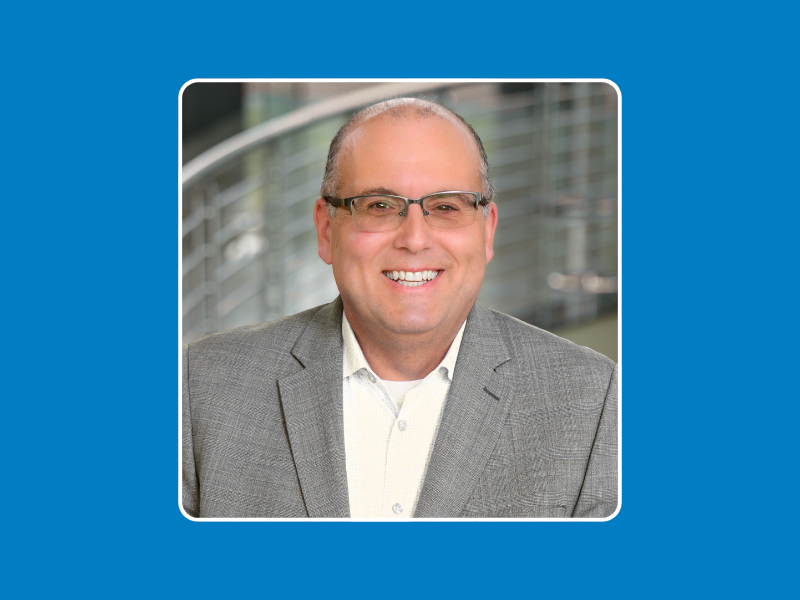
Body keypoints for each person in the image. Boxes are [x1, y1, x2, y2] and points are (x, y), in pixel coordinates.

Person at [182, 98, 618, 519]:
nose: (414, 239)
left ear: (487, 232)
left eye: (445, 207)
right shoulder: (200, 386)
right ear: (325, 229)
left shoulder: (595, 399)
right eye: (379, 206)